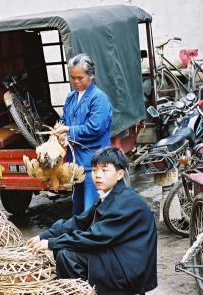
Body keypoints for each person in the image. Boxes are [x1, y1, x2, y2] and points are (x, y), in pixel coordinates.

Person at [27, 147, 157, 295]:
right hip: (116, 254)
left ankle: (87, 291)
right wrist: (44, 236)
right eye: (95, 170)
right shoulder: (111, 195)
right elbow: (79, 222)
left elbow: (96, 237)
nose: (97, 175)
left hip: (129, 269)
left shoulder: (126, 202)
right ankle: (83, 290)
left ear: (120, 174)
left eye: (104, 170)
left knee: (67, 255)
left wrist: (52, 243)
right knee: (62, 250)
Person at [54, 53, 112, 215]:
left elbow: (95, 128)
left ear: (91, 76)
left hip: (93, 163)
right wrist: (60, 133)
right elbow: (64, 120)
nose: (76, 81)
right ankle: (79, 238)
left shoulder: (99, 98)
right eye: (73, 78)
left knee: (91, 209)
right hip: (76, 164)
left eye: (80, 77)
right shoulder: (71, 98)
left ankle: (92, 239)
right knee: (78, 209)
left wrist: (69, 132)